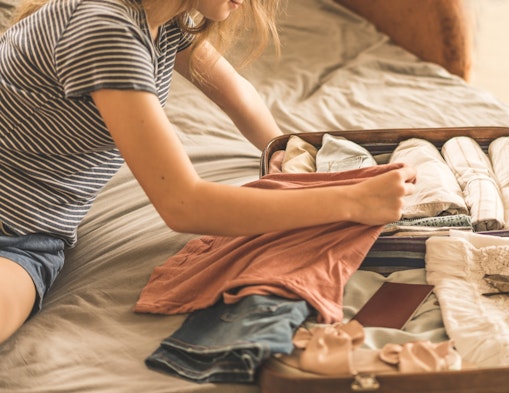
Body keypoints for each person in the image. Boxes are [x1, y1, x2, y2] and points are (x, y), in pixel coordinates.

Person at [0, 0, 416, 345]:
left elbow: (238, 94)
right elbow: (183, 205)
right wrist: (354, 201)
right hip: (18, 235)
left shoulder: (164, 22)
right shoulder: (106, 29)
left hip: (32, 239)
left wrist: (285, 150)